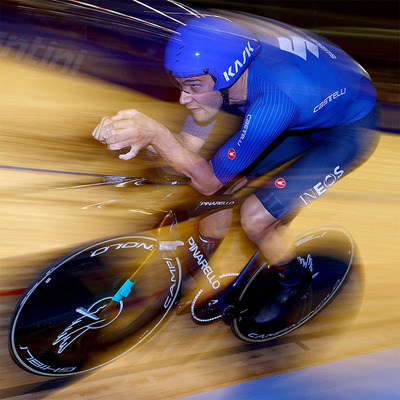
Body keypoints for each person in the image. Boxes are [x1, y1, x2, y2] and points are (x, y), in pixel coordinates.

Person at [92, 14, 380, 315]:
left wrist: (157, 134)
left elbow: (208, 181)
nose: (182, 98)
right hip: (308, 101)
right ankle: (190, 274)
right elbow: (189, 147)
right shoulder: (220, 72)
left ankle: (293, 282)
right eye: (180, 84)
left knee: (255, 217)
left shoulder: (273, 103)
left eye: (192, 86)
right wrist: (136, 136)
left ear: (228, 75)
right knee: (220, 192)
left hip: (347, 130)